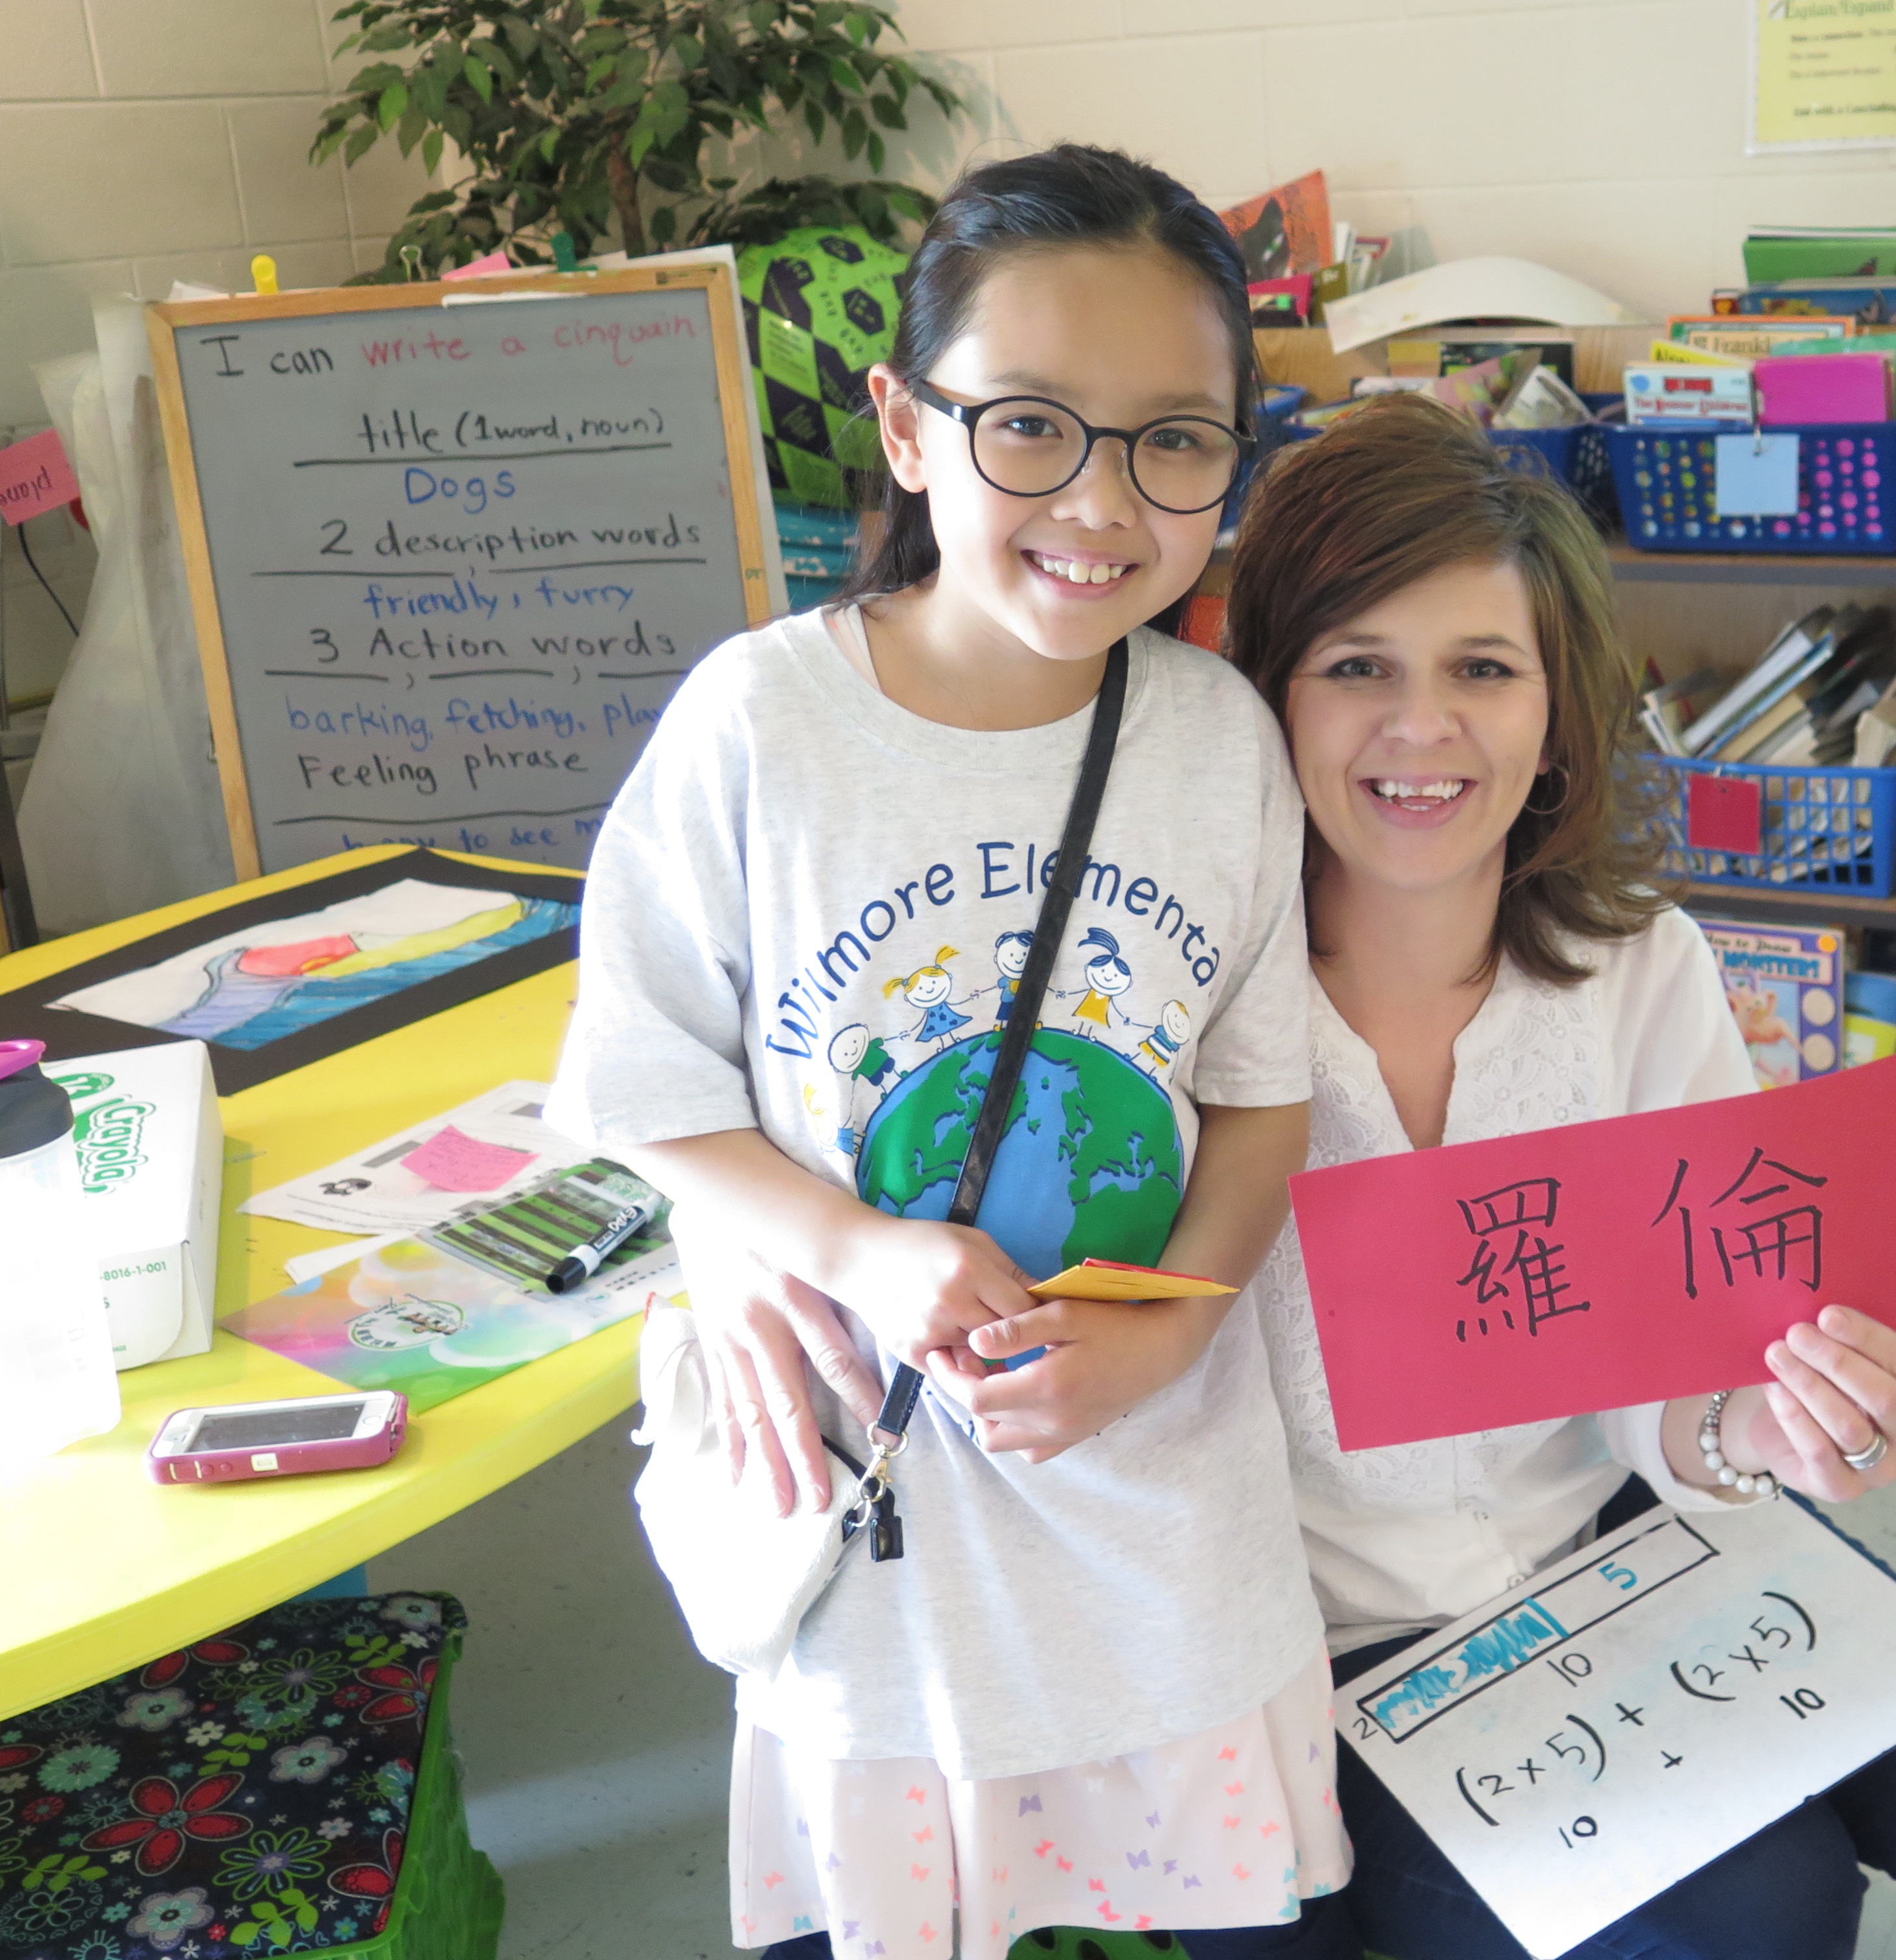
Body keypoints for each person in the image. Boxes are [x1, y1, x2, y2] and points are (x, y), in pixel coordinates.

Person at [1198, 395, 1896, 1960]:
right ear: (1267, 695)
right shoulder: (1188, 1009)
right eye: (1354, 666)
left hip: (1621, 1545)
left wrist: (1768, 1423)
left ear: (1559, 709)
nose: (1418, 728)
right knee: (1753, 1919)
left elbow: (1687, 1361)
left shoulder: (1638, 968)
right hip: (1341, 1650)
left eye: (1481, 669)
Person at [549, 146, 1351, 1960]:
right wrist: (858, 1251)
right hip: (886, 1514)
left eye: (1174, 440)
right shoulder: (760, 725)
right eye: (1031, 426)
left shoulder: (1216, 737)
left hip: (1163, 1511)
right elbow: (644, 1089)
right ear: (907, 429)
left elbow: (1258, 1100)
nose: (1102, 500)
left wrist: (1170, 1331)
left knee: (1252, 1925)